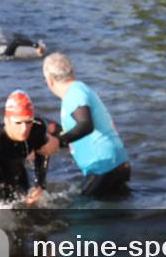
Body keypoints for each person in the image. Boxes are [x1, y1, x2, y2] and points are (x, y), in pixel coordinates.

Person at [43, 53, 130, 198]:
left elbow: (85, 125)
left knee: (80, 210)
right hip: (114, 164)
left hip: (104, 167)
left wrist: (58, 141)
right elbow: (79, 131)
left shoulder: (74, 93)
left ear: (49, 80)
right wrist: (56, 136)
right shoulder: (78, 90)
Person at [0, 91, 59, 206]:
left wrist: (40, 185)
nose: (24, 128)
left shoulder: (38, 128)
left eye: (28, 121)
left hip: (19, 178)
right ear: (7, 121)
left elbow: (43, 152)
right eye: (18, 123)